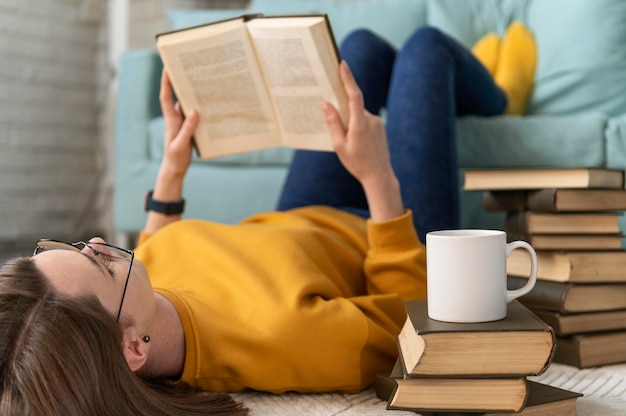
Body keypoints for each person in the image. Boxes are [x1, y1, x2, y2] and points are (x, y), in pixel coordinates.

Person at [0, 24, 535, 415]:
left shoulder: (134, 307)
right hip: (389, 226)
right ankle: (501, 95)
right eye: (102, 263)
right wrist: (378, 180)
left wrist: (171, 173)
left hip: (298, 222)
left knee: (360, 50)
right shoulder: (291, 336)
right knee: (424, 51)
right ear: (133, 348)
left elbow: (153, 256)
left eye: (71, 247)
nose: (98, 241)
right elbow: (410, 317)